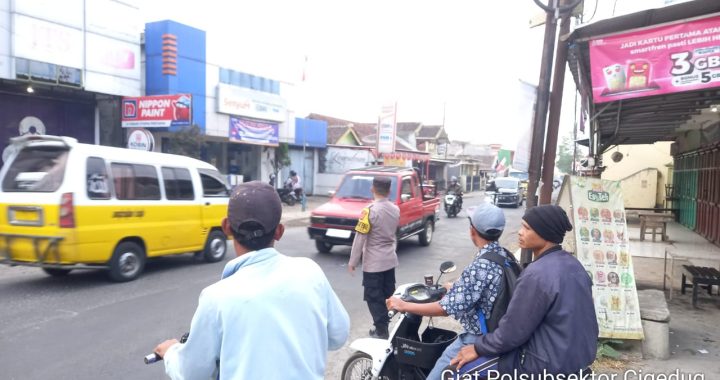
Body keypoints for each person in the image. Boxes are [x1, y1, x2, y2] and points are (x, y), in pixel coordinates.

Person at [153, 181, 350, 379]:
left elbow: (193, 373)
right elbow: (338, 335)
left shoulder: (216, 297)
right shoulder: (310, 272)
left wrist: (171, 352)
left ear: (226, 227)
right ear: (279, 231)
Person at [449, 205, 598, 379]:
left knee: (455, 372)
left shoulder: (537, 274)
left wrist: (477, 347)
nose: (520, 232)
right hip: (576, 358)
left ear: (545, 232)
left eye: (527, 228)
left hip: (541, 365)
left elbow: (512, 332)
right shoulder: (574, 265)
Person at [386, 203, 510, 380]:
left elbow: (444, 309)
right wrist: (454, 288)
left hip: (476, 338)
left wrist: (404, 305)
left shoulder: (480, 266)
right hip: (496, 330)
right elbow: (483, 289)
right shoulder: (502, 255)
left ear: (472, 230)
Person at [348, 176, 400, 339]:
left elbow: (360, 237)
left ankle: (381, 330)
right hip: (390, 259)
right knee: (387, 294)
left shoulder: (369, 211)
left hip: (374, 263)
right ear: (389, 191)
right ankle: (384, 325)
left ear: (372, 189)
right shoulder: (395, 209)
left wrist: (353, 261)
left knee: (373, 296)